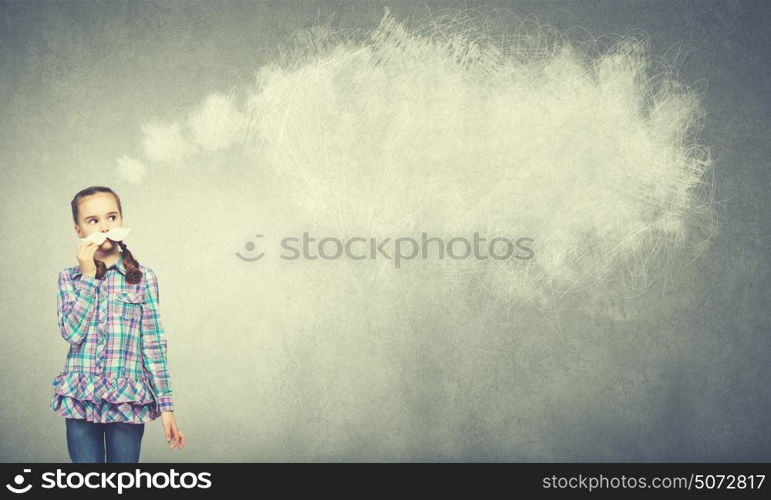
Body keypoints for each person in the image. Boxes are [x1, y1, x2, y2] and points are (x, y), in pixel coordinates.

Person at [50, 186, 186, 462]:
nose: (105, 226)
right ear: (79, 230)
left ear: (121, 220)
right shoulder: (69, 278)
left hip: (127, 398)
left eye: (111, 217)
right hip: (81, 396)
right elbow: (72, 333)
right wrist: (88, 278)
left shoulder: (143, 277)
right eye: (93, 220)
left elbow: (153, 344)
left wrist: (166, 407)